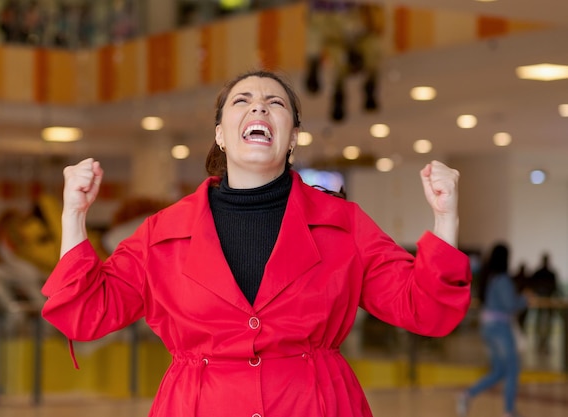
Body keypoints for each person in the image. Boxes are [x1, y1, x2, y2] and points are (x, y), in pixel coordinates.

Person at [41, 70, 471, 417]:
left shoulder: (344, 226)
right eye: (241, 101)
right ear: (222, 135)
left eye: (276, 103)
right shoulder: (162, 232)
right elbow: (84, 314)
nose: (259, 106)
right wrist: (73, 216)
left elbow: (426, 310)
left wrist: (445, 218)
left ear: (292, 138)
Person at [457, 243, 528, 417]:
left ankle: (467, 395)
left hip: (487, 328)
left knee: (499, 371)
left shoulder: (488, 278)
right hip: (501, 329)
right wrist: (524, 299)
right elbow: (510, 305)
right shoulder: (502, 279)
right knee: (511, 370)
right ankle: (509, 411)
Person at [528, 252, 559, 354]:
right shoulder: (540, 273)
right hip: (540, 302)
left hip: (548, 302)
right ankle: (540, 341)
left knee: (547, 323)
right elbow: (533, 285)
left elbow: (554, 287)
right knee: (539, 322)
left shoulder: (550, 273)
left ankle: (545, 341)